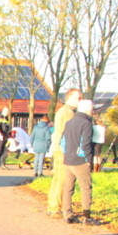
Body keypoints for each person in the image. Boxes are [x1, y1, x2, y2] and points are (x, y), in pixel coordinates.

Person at [61, 99, 100, 225]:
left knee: (68, 188)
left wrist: (66, 154)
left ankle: (67, 214)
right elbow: (86, 143)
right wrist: (88, 160)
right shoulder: (86, 123)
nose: (92, 111)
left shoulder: (69, 122)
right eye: (92, 108)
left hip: (67, 159)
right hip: (80, 160)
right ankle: (86, 217)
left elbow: (63, 142)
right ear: (88, 109)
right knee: (86, 187)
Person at [47, 88, 82, 216]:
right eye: (78, 98)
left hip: (58, 148)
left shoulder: (62, 110)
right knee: (63, 179)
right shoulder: (68, 113)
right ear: (70, 98)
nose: (80, 101)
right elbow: (70, 133)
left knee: (57, 178)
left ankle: (52, 205)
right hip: (63, 149)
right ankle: (56, 207)